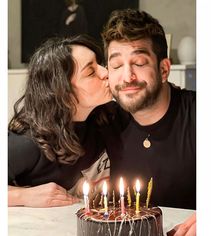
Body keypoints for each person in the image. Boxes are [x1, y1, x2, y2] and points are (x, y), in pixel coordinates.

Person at [100, 9, 196, 235]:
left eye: (140, 63)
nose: (127, 77)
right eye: (116, 66)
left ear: (164, 69)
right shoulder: (105, 121)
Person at [8, 34, 113, 207]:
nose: (106, 72)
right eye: (91, 71)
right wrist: (23, 196)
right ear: (62, 92)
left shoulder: (107, 116)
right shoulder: (28, 143)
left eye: (99, 63)